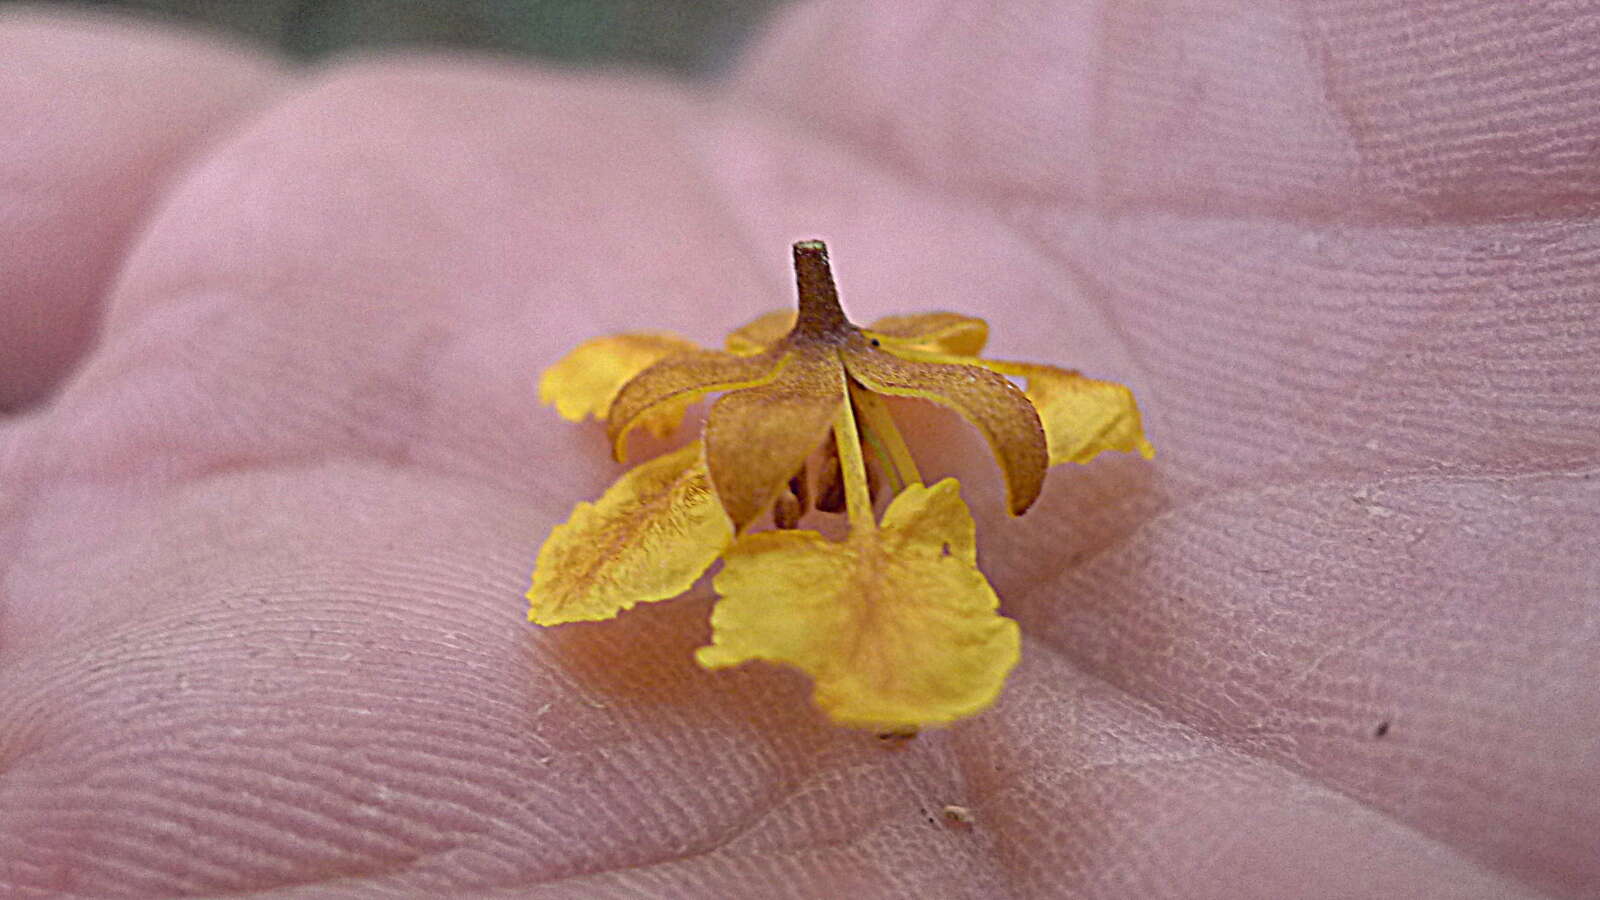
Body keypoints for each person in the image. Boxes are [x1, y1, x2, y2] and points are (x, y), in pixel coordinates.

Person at [2, 4, 1595, 896]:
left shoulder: (906, 429)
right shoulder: (694, 449)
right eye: (808, 490)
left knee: (863, 574)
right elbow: (600, 490)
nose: (825, 504)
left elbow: (1081, 421)